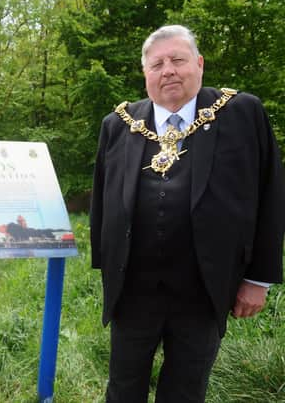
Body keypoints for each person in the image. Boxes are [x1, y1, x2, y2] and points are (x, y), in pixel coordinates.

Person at [90, 25, 285, 403]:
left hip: (204, 287)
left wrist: (259, 280)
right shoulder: (118, 125)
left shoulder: (242, 113)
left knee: (186, 390)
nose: (168, 71)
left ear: (199, 64)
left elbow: (271, 193)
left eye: (178, 60)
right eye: (157, 64)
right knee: (123, 387)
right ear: (145, 74)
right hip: (133, 289)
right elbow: (102, 201)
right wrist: (106, 269)